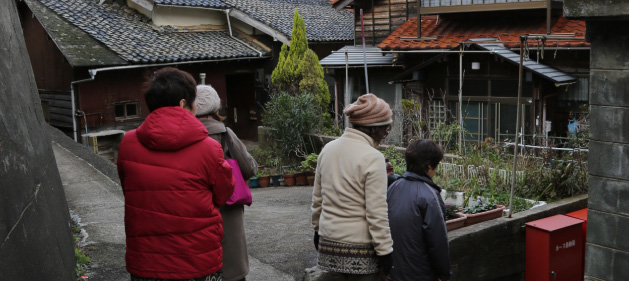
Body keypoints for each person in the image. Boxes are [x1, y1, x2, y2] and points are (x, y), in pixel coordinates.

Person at [117, 67, 234, 281]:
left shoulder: (128, 144)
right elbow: (223, 193)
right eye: (194, 102)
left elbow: (130, 190)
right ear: (182, 104)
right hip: (197, 262)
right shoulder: (209, 148)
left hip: (146, 264)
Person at [311, 93, 394, 280]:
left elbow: (318, 197)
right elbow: (376, 212)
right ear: (373, 129)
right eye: (385, 128)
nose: (386, 133)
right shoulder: (373, 158)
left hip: (328, 244)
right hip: (360, 250)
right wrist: (385, 250)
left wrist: (317, 229)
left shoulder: (328, 149)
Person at [195, 84, 257, 281]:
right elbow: (249, 168)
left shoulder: (186, 135)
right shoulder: (225, 134)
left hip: (196, 211)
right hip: (227, 211)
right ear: (216, 108)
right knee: (231, 270)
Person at [387, 139, 451, 281]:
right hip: (421, 274)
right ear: (429, 166)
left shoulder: (393, 188)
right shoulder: (430, 196)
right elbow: (438, 241)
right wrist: (444, 274)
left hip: (393, 272)